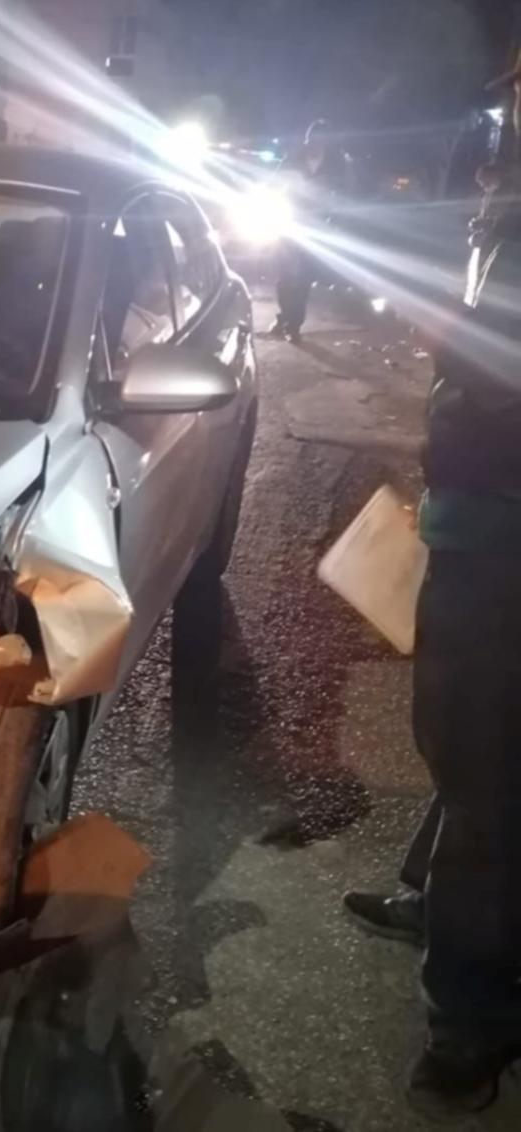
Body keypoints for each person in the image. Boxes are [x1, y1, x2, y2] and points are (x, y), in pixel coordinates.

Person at [343, 52, 521, 1121]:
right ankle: (433, 893)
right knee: (468, 750)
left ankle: (469, 1016)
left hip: (503, 527)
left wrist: (435, 328)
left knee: (482, 761)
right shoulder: (499, 182)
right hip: (478, 507)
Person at [269, 119, 350, 343]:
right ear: (308, 138)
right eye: (314, 138)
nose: (318, 143)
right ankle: (284, 316)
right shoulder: (293, 158)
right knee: (284, 276)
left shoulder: (336, 163)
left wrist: (334, 220)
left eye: (323, 139)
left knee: (303, 279)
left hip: (316, 227)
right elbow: (274, 182)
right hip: (288, 223)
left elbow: (343, 193)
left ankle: (293, 325)